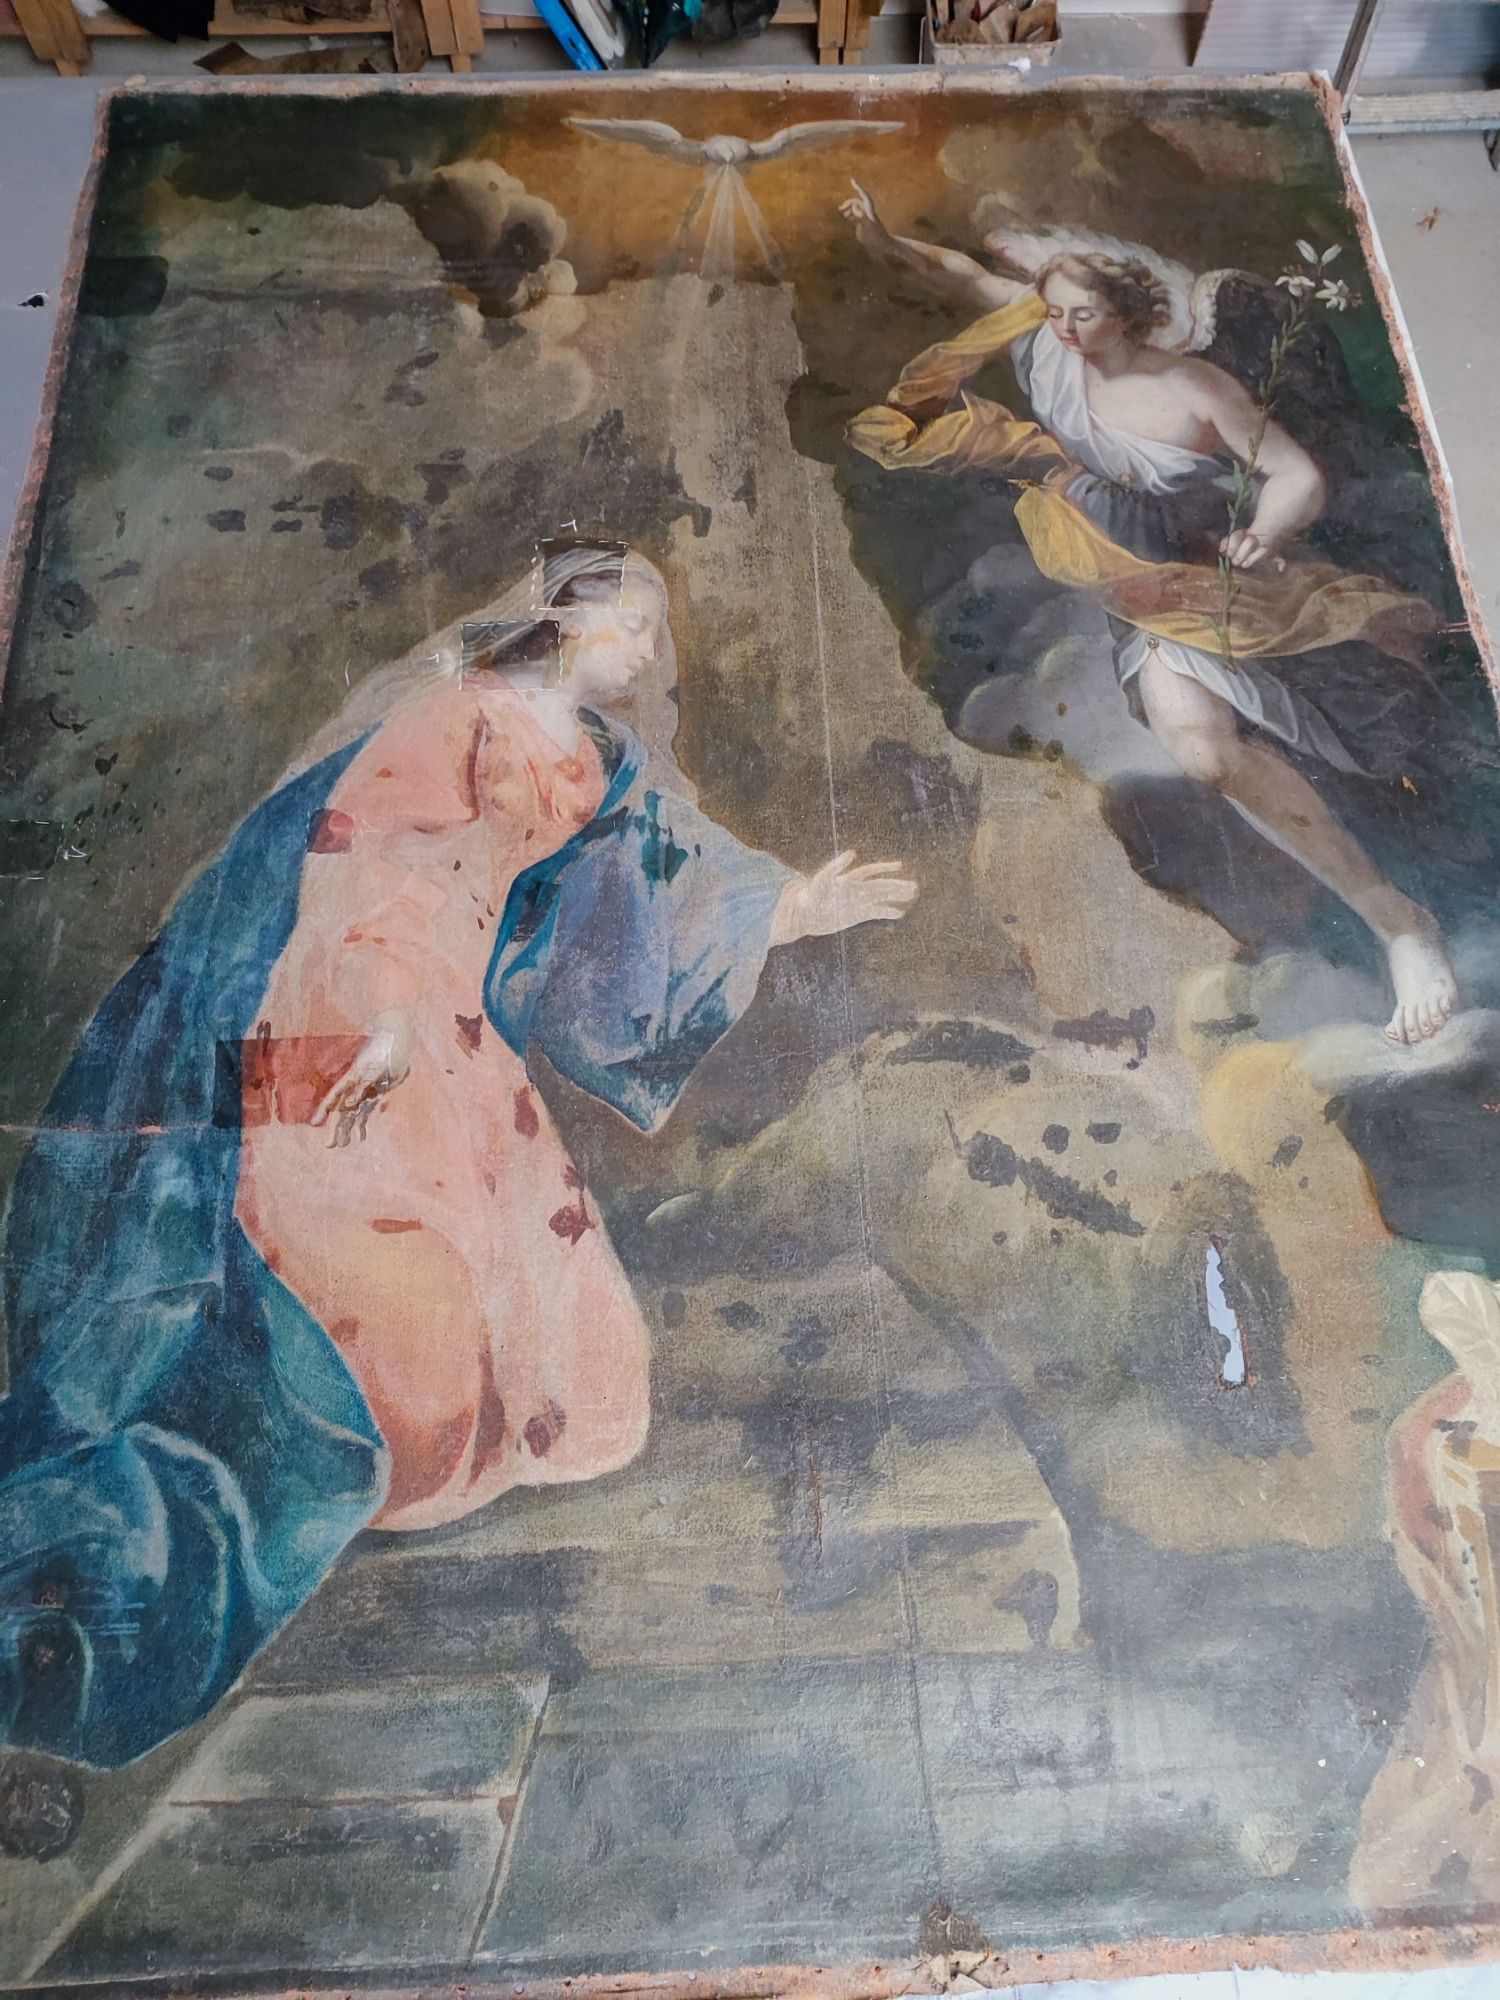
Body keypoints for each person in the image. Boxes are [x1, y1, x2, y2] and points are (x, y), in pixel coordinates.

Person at [0, 542, 915, 1777]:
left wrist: (790, 905)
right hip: (357, 999)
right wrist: (380, 1013)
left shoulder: (596, 756)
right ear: (561, 615)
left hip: (459, 1026)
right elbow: (367, 853)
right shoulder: (457, 714)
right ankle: (216, 1483)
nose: (649, 649)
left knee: (565, 1349)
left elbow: (657, 875)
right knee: (389, 1318)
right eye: (631, 620)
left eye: (655, 629)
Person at [841, 184, 1459, 1048]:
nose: (1062, 329)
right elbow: (961, 277)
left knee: (1362, 710)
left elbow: (1296, 475)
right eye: (1054, 311)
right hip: (1141, 590)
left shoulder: (1193, 387)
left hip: (1215, 571)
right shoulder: (1047, 344)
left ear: (1128, 314)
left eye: (1082, 314)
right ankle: (1396, 918)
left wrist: (1264, 533)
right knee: (1203, 755)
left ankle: (1402, 927)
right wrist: (883, 239)